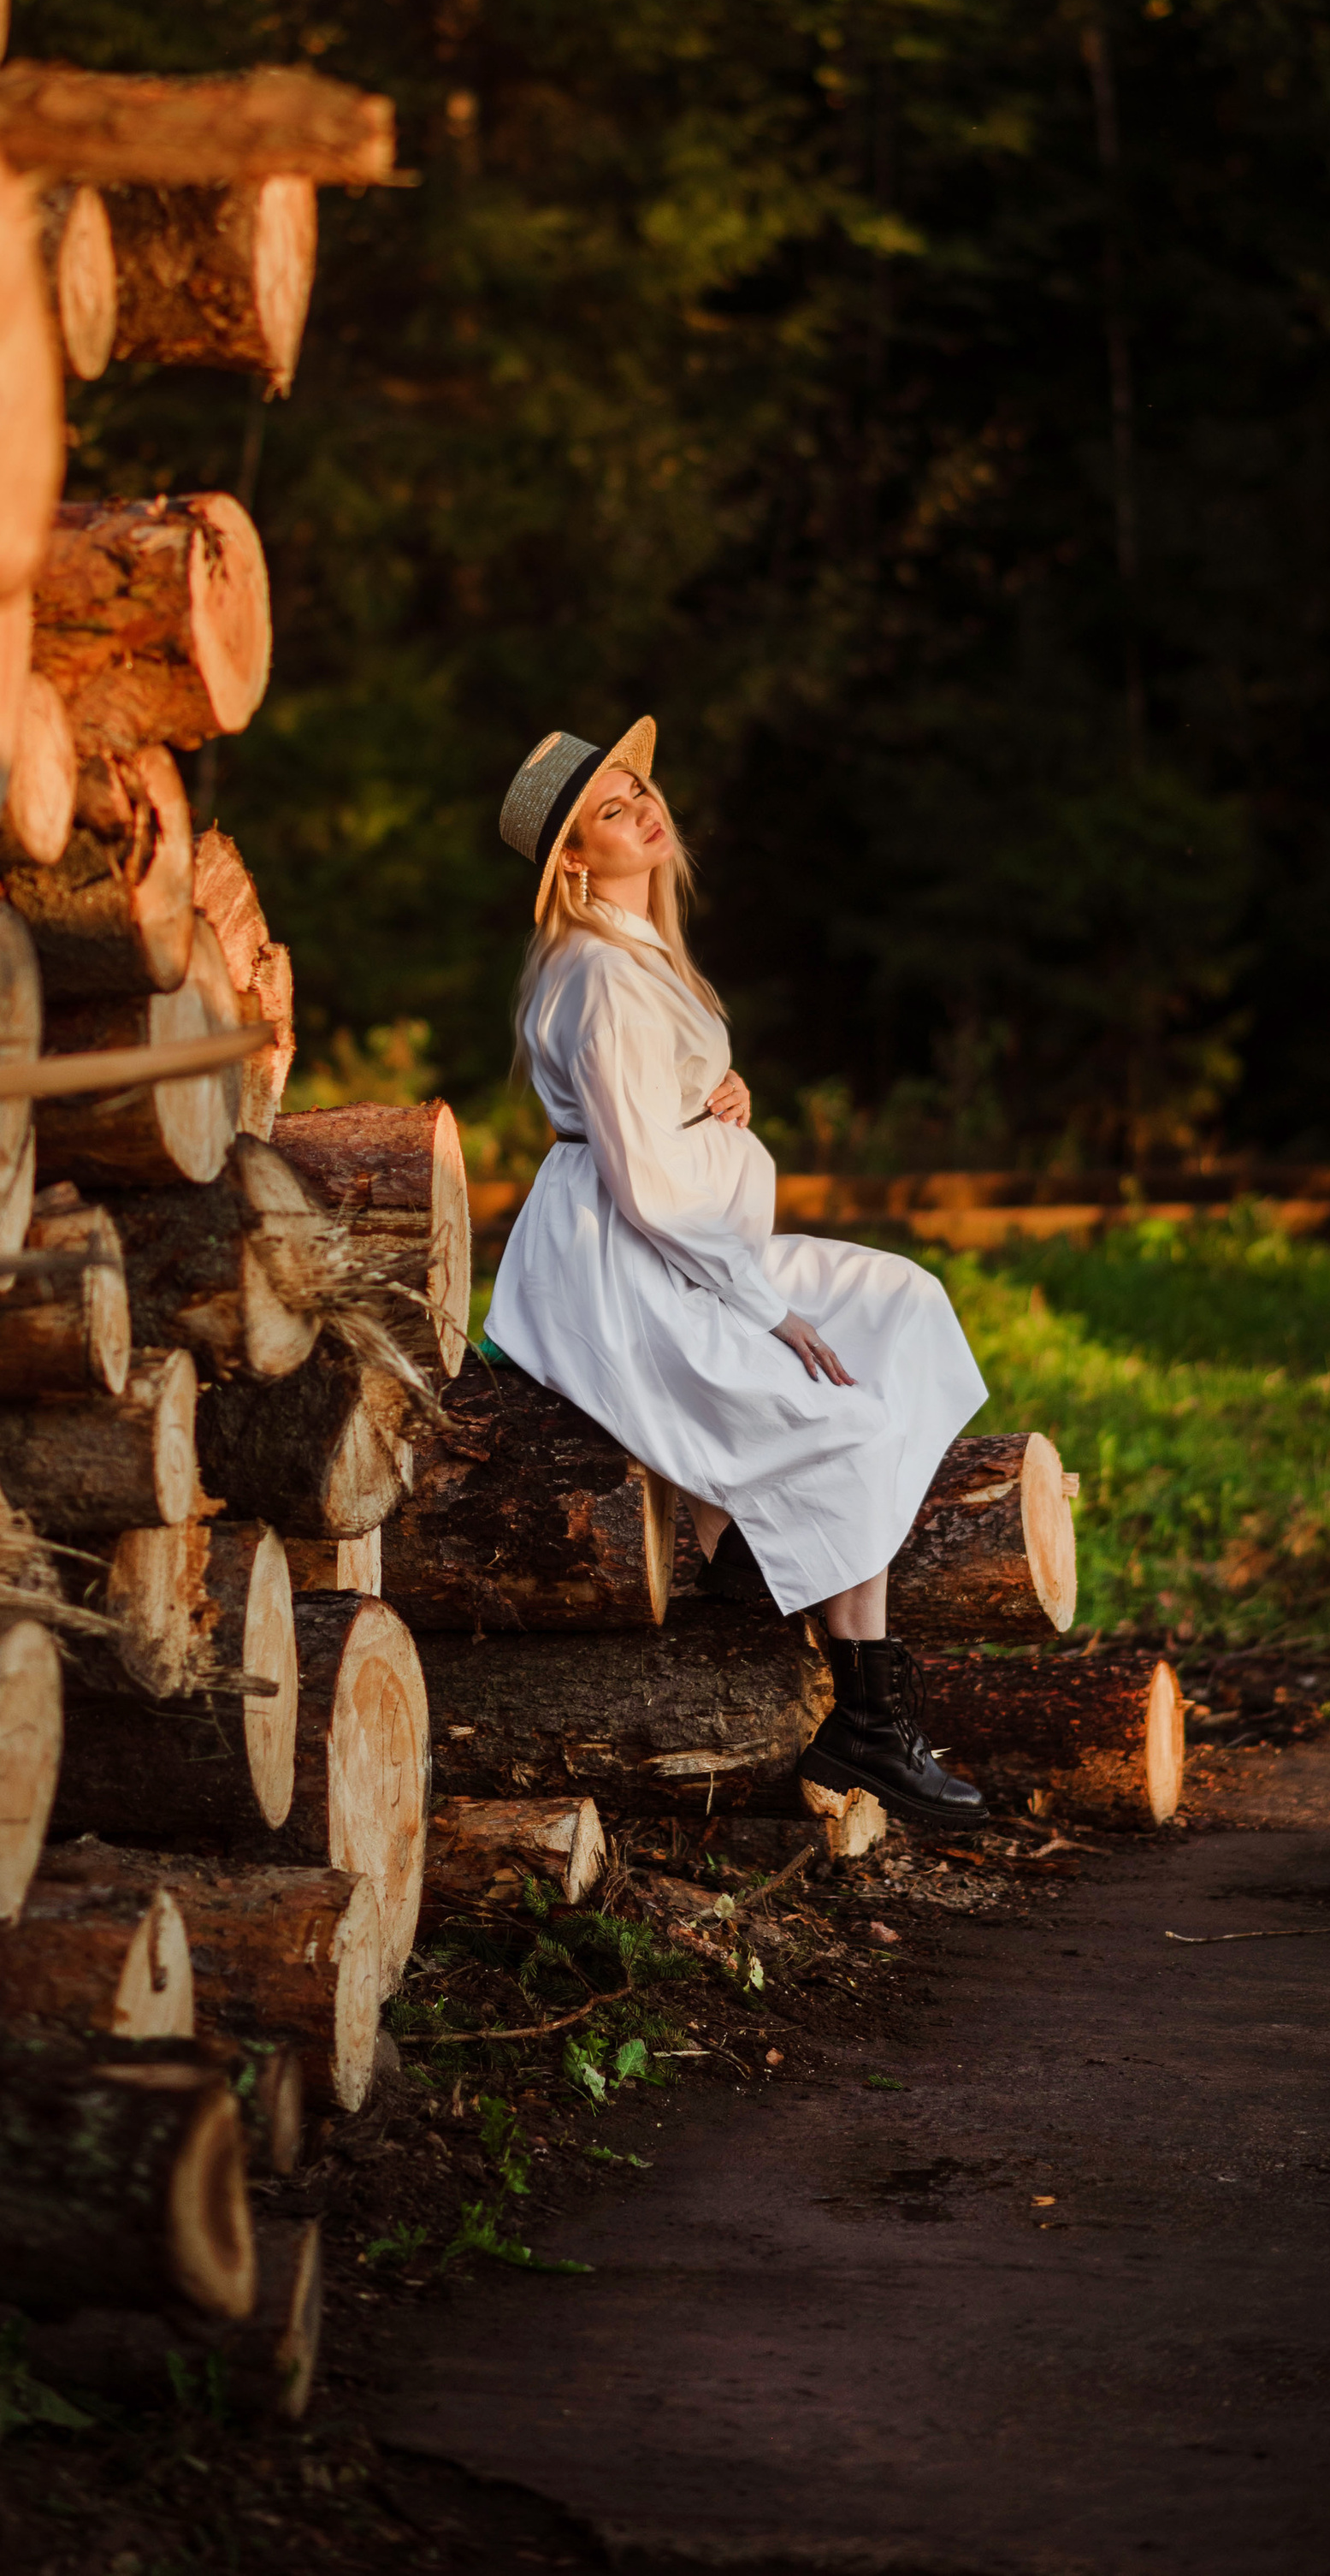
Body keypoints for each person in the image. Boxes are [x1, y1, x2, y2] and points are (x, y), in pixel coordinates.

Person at [483, 718, 987, 1828]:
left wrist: (722, 1092)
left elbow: (660, 1116)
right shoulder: (601, 974)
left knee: (907, 1300)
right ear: (573, 857)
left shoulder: (640, 954)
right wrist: (766, 1309)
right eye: (611, 809)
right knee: (843, 1413)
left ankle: (773, 1552)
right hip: (626, 1269)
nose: (643, 809)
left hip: (688, 1237)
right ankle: (866, 1706)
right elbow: (647, 1185)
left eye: (637, 789)